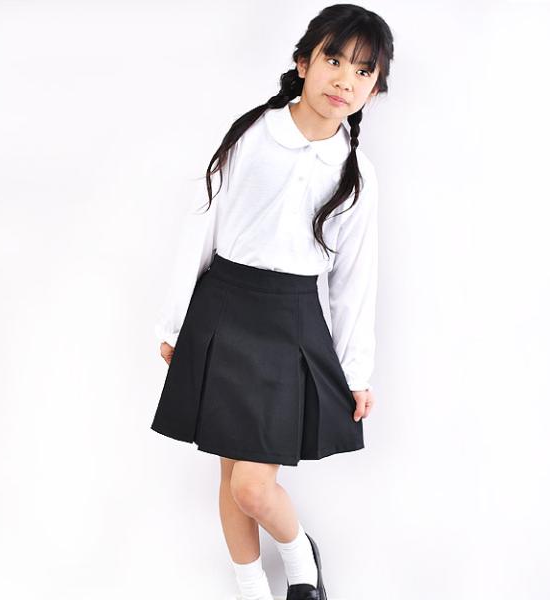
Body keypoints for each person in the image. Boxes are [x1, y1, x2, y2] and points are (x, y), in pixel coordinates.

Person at [151, 4, 394, 599]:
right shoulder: (251, 136)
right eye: (334, 60)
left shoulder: (356, 173)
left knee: (252, 486)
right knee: (231, 472)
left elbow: (354, 280)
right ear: (303, 62)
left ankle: (299, 556)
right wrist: (177, 323)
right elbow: (201, 224)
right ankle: (251, 587)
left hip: (292, 321)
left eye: (364, 71)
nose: (345, 80)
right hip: (224, 307)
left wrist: (356, 371)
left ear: (375, 88)